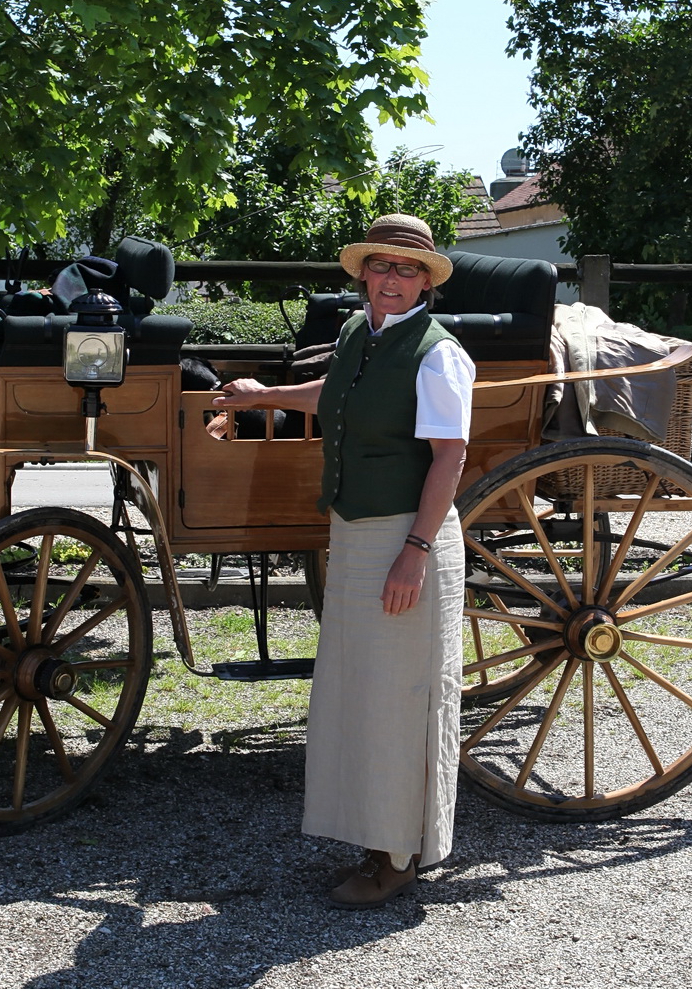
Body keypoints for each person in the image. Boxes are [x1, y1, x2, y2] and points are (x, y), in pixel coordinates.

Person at [213, 213, 475, 909]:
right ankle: (374, 839)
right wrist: (265, 394)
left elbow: (450, 456)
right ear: (364, 273)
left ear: (426, 281)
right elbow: (331, 398)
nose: (391, 280)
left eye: (407, 269)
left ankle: (398, 859)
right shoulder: (361, 333)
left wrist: (415, 553)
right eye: (381, 267)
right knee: (359, 694)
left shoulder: (437, 353)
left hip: (405, 539)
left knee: (400, 700)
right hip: (359, 535)